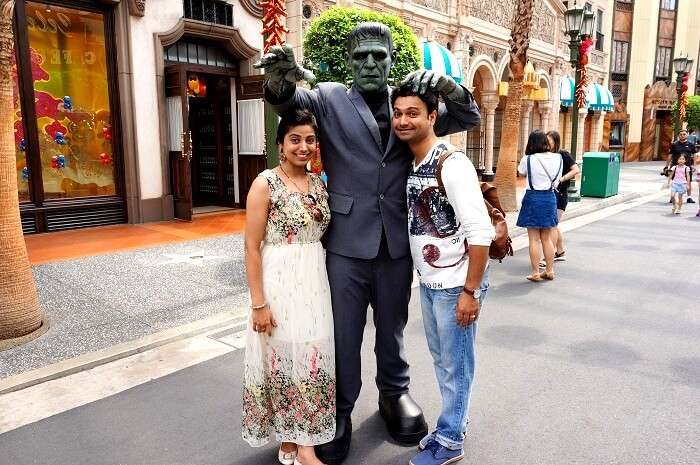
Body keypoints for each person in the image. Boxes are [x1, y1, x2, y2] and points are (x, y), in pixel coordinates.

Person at [255, 22, 480, 464]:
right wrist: (279, 81)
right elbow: (288, 100)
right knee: (344, 333)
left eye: (380, 55)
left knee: (393, 329)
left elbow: (467, 116)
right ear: (348, 62)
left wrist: (451, 88)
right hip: (345, 246)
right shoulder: (330, 98)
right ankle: (339, 410)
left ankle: (394, 393)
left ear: (392, 59)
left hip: (397, 246)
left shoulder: (410, 104)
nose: (371, 64)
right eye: (362, 57)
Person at [391, 84, 493, 465]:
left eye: (413, 112)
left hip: (456, 285)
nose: (403, 120)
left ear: (433, 117)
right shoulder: (415, 161)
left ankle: (451, 440)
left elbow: (479, 231)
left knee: (457, 364)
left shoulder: (452, 163)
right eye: (398, 112)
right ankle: (449, 427)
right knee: (443, 361)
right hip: (433, 282)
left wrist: (471, 292)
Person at [242, 110, 335, 465]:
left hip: (314, 279)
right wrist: (258, 303)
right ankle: (301, 445)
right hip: (278, 280)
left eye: (309, 139)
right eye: (295, 139)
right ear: (280, 144)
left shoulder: (319, 183)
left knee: (310, 354)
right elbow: (251, 246)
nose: (304, 146)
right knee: (282, 356)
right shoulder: (265, 183)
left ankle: (297, 438)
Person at [517, 130, 562, 282]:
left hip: (533, 198)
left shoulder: (527, 159)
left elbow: (521, 173)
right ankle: (549, 270)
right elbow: (557, 181)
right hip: (550, 197)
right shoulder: (558, 158)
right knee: (547, 238)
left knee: (533, 239)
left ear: (531, 143)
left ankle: (536, 272)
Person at [540, 131, 579, 267]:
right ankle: (560, 252)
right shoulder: (546, 156)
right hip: (550, 194)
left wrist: (562, 179)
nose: (547, 144)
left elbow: (576, 169)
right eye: (545, 141)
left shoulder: (563, 154)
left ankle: (548, 256)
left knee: (552, 226)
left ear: (556, 142)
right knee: (554, 224)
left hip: (561, 194)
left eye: (549, 142)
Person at [668, 129, 698, 203]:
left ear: (687, 135)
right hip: (675, 166)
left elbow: (694, 155)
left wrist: (694, 165)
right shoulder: (674, 144)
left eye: (684, 134)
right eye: (681, 134)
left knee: (688, 181)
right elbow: (670, 155)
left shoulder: (691, 144)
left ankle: (689, 197)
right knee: (674, 181)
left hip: (687, 166)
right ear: (679, 136)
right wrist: (667, 166)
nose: (682, 136)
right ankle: (673, 197)